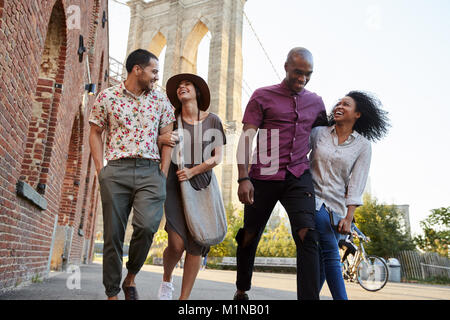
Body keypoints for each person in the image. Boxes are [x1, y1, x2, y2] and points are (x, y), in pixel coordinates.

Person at [234, 47, 328, 300]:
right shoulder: (262, 96)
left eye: (308, 74)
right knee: (249, 234)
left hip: (298, 175)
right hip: (263, 175)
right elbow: (246, 138)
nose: (302, 79)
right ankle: (242, 288)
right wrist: (243, 177)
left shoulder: (317, 103)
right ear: (286, 66)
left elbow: (325, 140)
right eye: (298, 72)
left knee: (308, 235)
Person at [89, 49, 175, 300]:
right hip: (116, 170)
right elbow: (95, 132)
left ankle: (131, 276)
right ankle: (112, 293)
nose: (157, 77)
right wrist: (100, 170)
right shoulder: (107, 97)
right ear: (137, 69)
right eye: (154, 71)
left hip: (151, 171)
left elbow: (168, 139)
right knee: (112, 234)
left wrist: (162, 173)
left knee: (147, 226)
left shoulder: (161, 102)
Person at [309, 90, 390, 300]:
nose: (339, 106)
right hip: (312, 200)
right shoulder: (318, 133)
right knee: (331, 253)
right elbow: (298, 157)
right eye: (338, 103)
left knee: (322, 261)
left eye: (346, 104)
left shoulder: (363, 146)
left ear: (358, 114)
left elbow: (357, 183)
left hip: (337, 209)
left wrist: (348, 217)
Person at [157, 73, 226, 300]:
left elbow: (217, 157)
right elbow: (157, 142)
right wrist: (161, 140)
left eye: (187, 84)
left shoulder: (212, 120)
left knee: (197, 242)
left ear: (197, 91)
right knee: (176, 244)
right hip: (174, 183)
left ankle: (183, 299)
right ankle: (167, 280)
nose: (181, 87)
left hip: (201, 182)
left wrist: (193, 171)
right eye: (178, 86)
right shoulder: (171, 118)